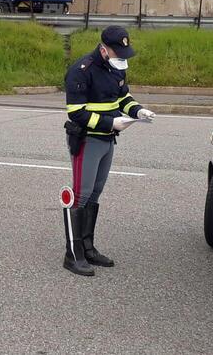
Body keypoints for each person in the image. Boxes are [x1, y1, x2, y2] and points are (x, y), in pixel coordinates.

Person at [62, 26, 155, 277]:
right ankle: (73, 254)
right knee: (81, 195)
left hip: (108, 139)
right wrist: (110, 123)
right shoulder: (82, 71)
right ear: (104, 49)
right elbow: (76, 112)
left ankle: (88, 247)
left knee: (95, 193)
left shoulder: (117, 67)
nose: (123, 57)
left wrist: (138, 111)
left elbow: (123, 98)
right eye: (118, 52)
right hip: (88, 139)